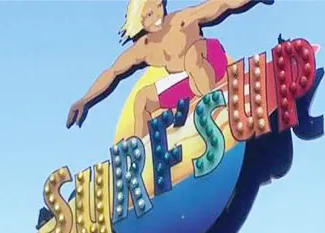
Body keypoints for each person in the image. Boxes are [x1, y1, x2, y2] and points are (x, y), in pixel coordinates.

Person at [65, 0, 274, 139]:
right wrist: (85, 100)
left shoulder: (180, 21)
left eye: (157, 6)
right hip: (187, 81)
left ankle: (217, 113)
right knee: (142, 99)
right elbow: (113, 72)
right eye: (148, 14)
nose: (156, 16)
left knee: (192, 56)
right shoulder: (144, 48)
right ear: (139, 21)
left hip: (210, 60)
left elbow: (221, 4)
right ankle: (143, 157)